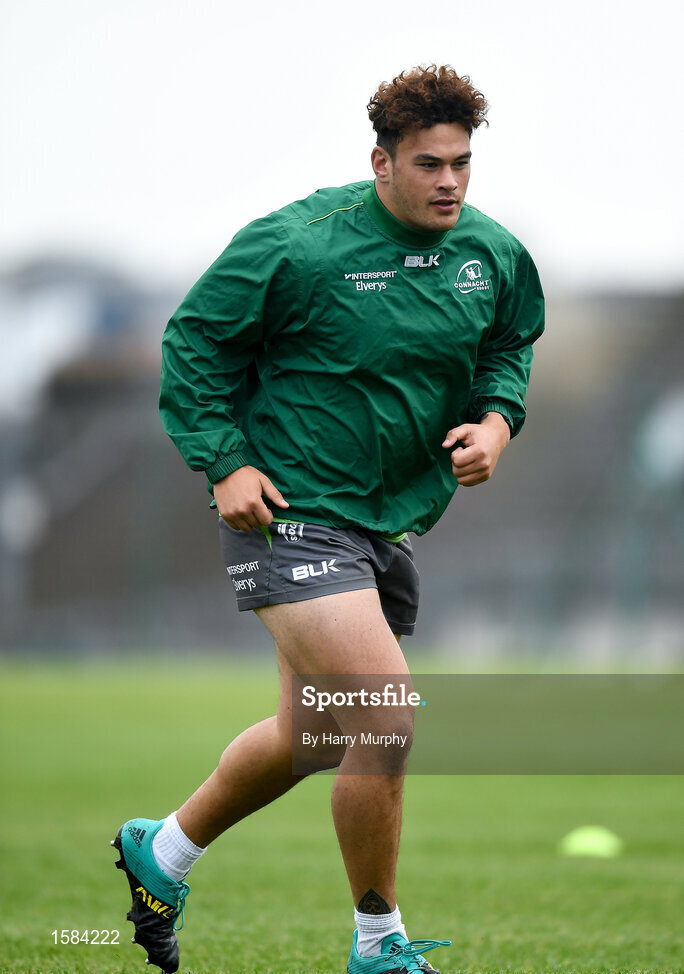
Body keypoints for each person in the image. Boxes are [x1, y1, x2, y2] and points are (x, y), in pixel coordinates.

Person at [112, 64, 544, 974]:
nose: (450, 183)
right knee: (382, 718)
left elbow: (509, 343)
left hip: (385, 526)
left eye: (463, 163)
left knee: (314, 737)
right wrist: (223, 460)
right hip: (290, 516)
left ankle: (166, 852)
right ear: (380, 161)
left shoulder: (491, 256)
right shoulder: (297, 245)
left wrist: (497, 421)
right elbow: (195, 341)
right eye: (429, 164)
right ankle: (379, 945)